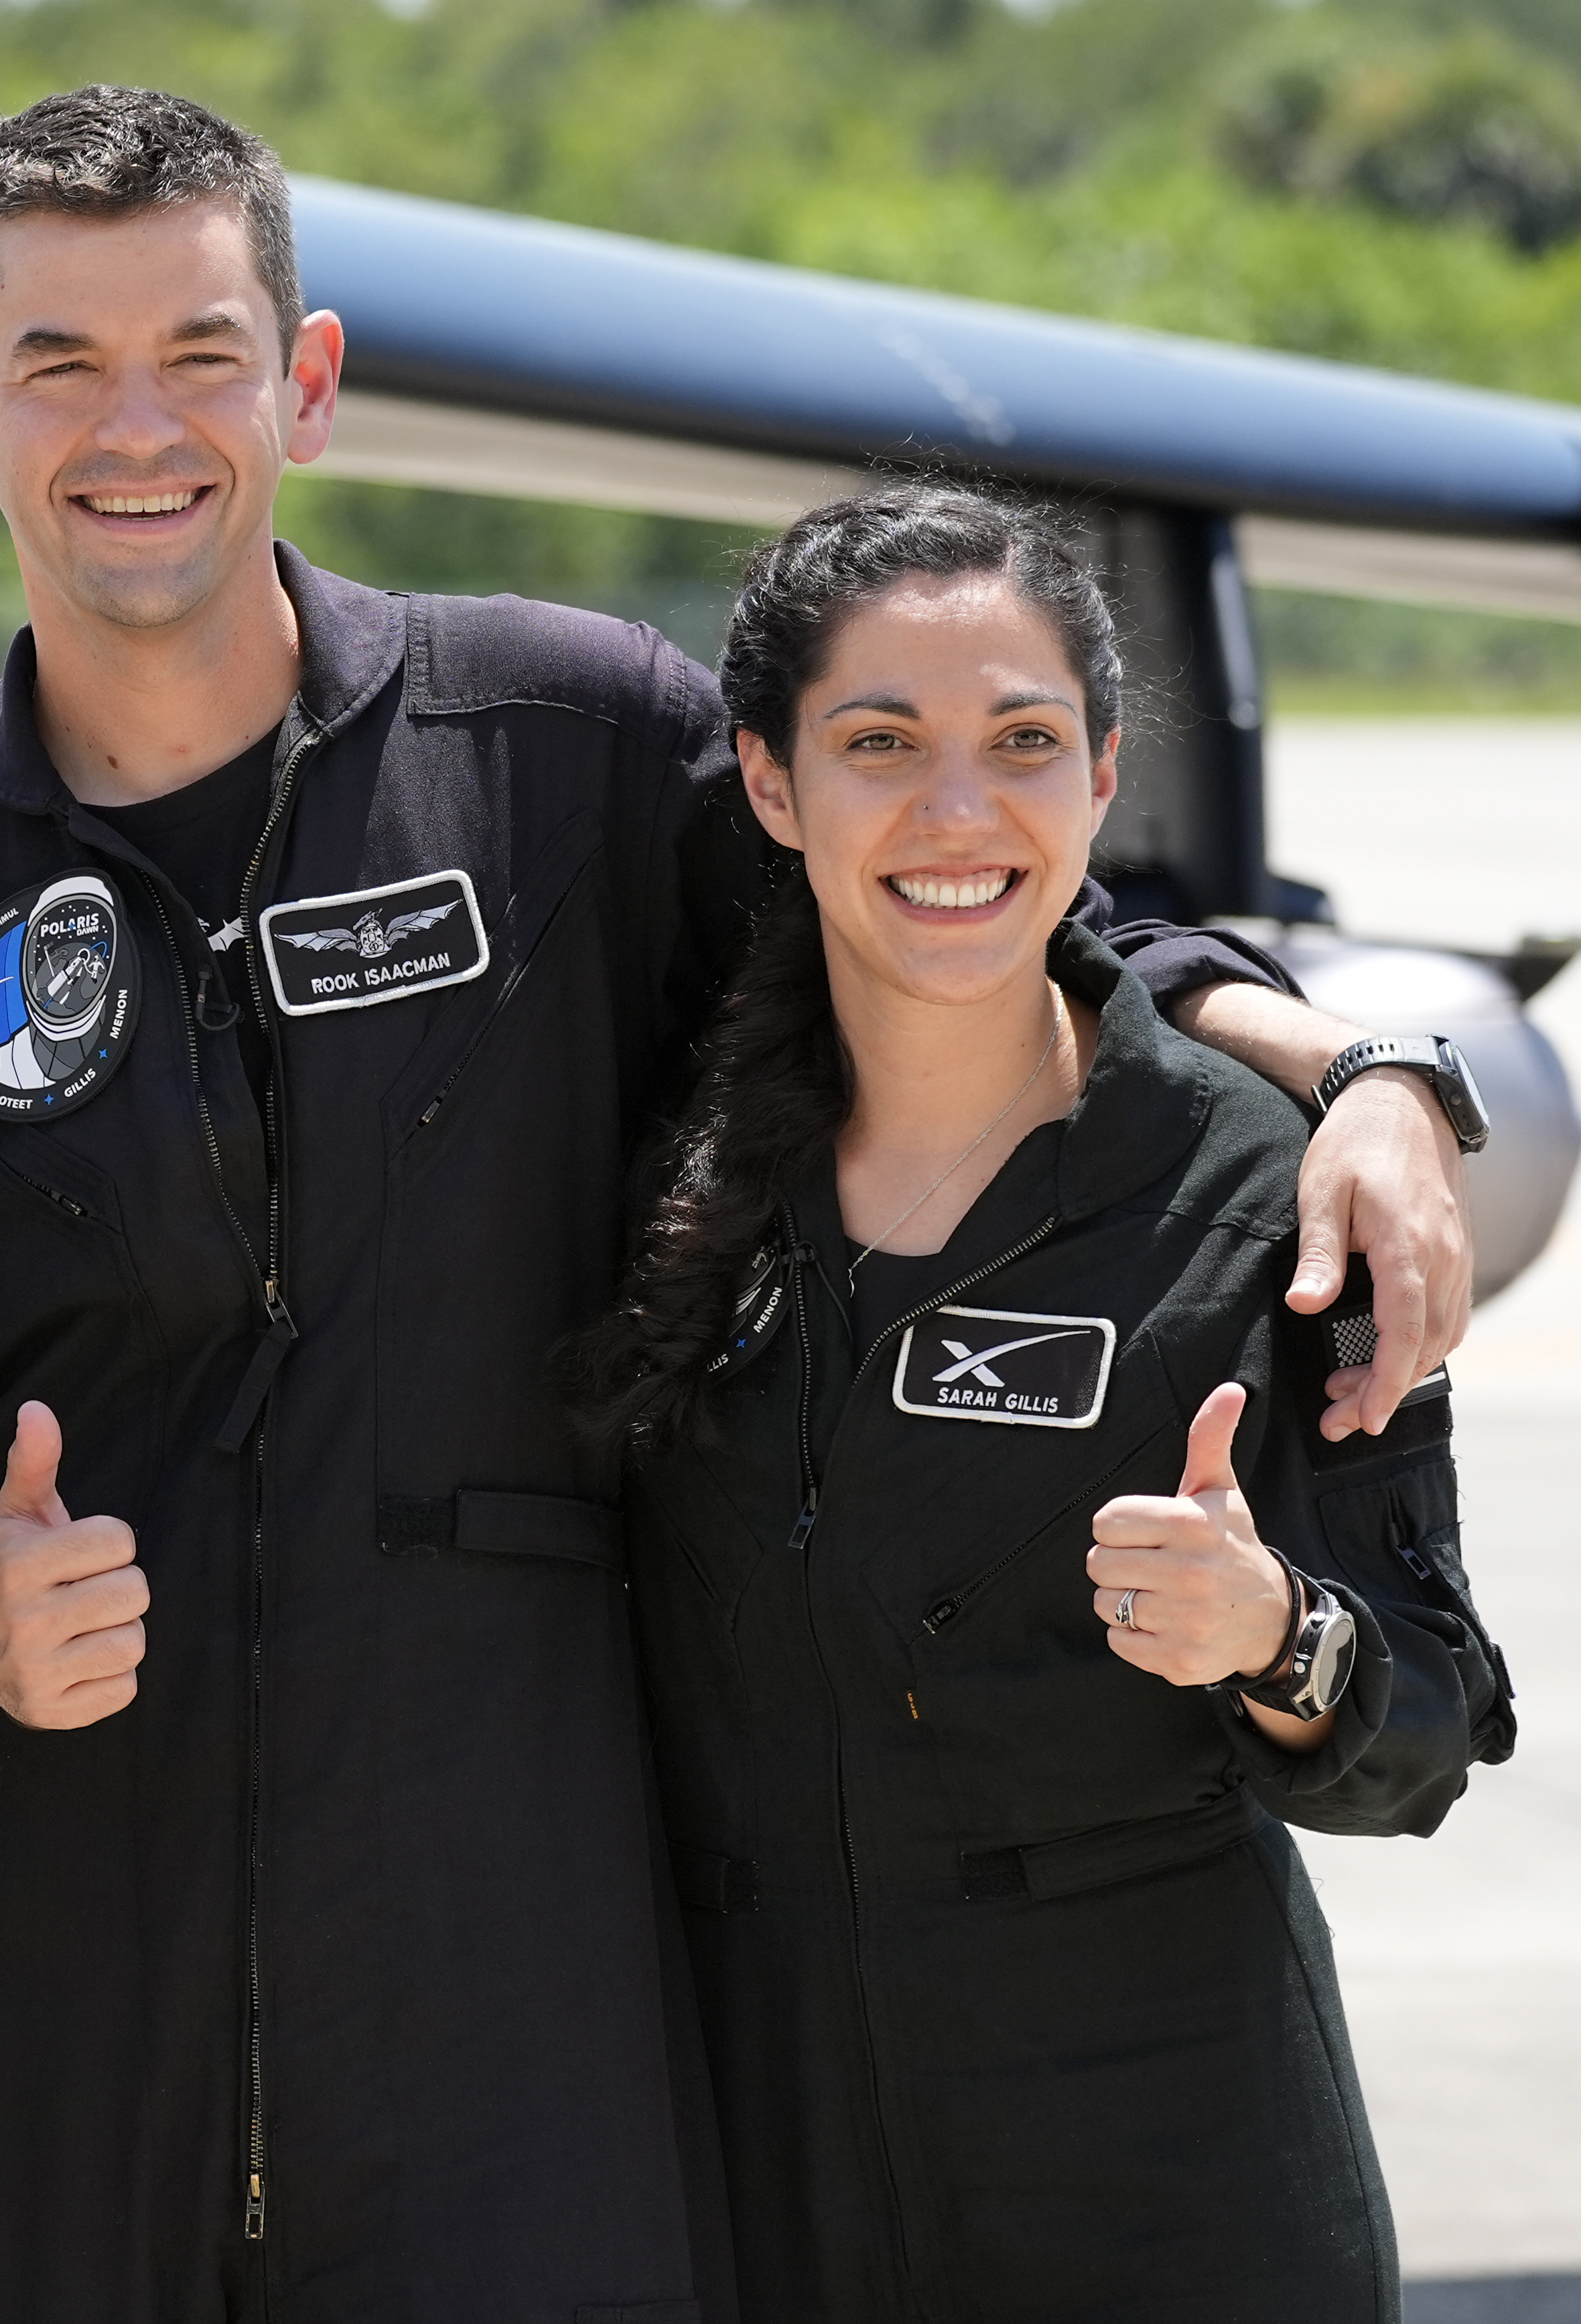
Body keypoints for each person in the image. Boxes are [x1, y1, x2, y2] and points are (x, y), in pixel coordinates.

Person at [0, 86, 1480, 2321]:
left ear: (305, 383)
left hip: (517, 2029)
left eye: (205, 352)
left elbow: (931, 894)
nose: (143, 427)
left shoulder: (563, 751)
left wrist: (1353, 1056)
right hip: (49, 2021)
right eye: (61, 365)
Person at [577, 482, 1511, 2321]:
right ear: (772, 785)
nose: (955, 810)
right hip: (763, 2189)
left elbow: (1433, 1716)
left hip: (1165, 2197)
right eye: (879, 742)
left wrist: (1278, 1635)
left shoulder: (1265, 1195)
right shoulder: (670, 1172)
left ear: (1100, 776)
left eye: (1021, 741)